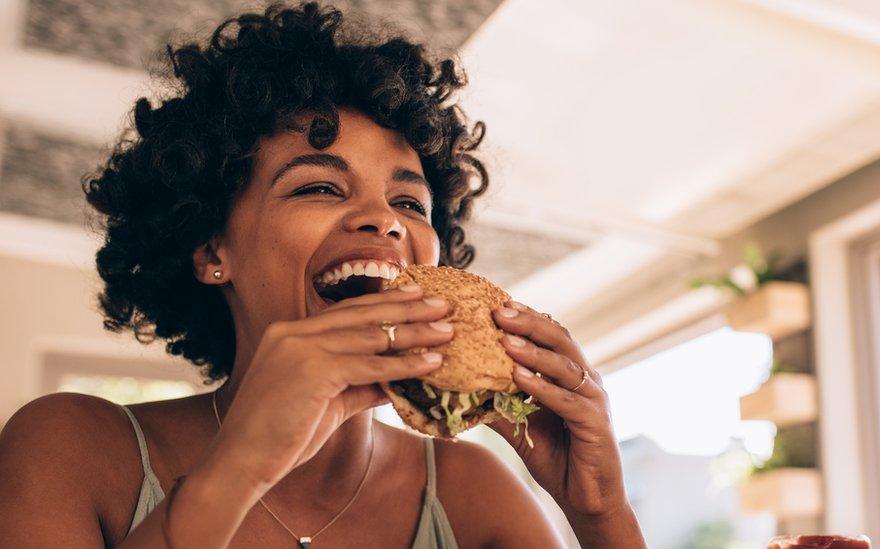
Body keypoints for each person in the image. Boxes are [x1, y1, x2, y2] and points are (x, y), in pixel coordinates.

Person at [0, 3, 644, 547]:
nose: (383, 221)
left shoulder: (473, 492)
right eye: (318, 187)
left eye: (410, 203)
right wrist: (238, 468)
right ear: (209, 250)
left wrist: (600, 513)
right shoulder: (71, 447)